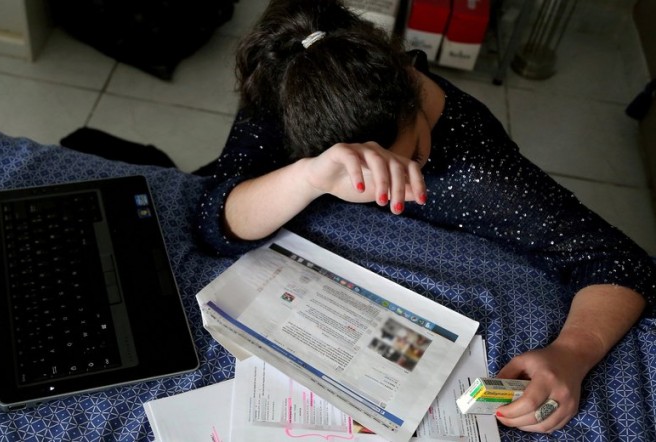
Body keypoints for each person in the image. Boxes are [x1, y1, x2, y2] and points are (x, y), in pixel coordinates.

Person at [193, 0, 656, 434]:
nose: (393, 192)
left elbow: (620, 262)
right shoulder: (290, 75)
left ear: (411, 82)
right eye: (362, 178)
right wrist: (307, 178)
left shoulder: (478, 168)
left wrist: (572, 353)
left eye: (413, 155)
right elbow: (217, 222)